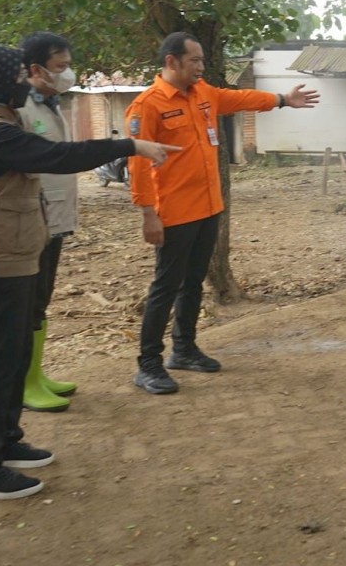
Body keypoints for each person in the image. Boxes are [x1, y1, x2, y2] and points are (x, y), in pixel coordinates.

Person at [0, 44, 177, 499]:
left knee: (13, 357)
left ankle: (6, 442)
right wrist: (131, 145)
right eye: (15, 77)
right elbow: (59, 157)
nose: (22, 83)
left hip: (8, 254)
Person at [127, 31, 319, 395]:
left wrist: (282, 99)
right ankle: (148, 364)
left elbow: (242, 98)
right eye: (195, 60)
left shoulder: (204, 94)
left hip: (208, 207)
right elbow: (137, 164)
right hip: (174, 213)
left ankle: (184, 349)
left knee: (193, 282)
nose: (201, 66)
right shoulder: (147, 105)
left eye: (202, 59)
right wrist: (148, 214)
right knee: (165, 287)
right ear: (171, 62)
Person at [17, 32, 80, 412]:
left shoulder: (49, 103)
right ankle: (24, 383)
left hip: (54, 218)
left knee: (41, 298)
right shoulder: (20, 108)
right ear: (36, 69)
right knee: (27, 302)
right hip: (32, 220)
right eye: (61, 66)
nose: (68, 73)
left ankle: (36, 374)